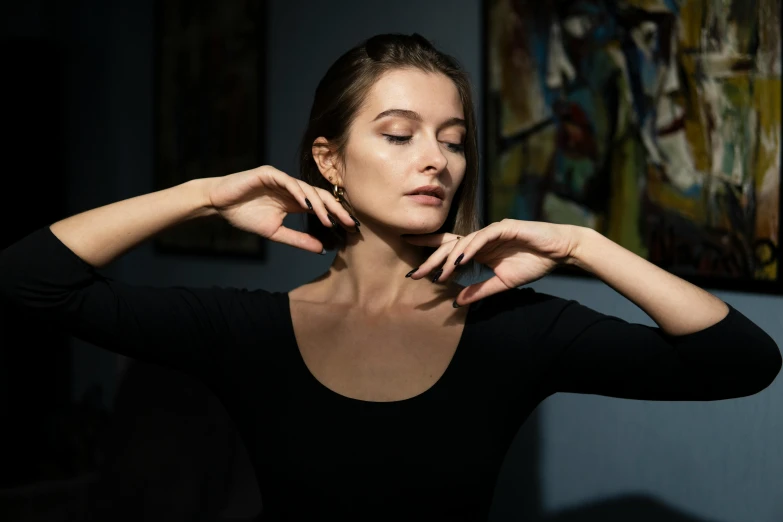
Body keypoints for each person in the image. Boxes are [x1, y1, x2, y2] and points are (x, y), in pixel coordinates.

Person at [0, 33, 780, 522]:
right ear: (328, 160)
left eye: (452, 139)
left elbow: (741, 361)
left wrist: (582, 246)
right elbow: (32, 278)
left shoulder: (509, 326)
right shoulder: (249, 330)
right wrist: (204, 194)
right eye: (399, 135)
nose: (435, 160)